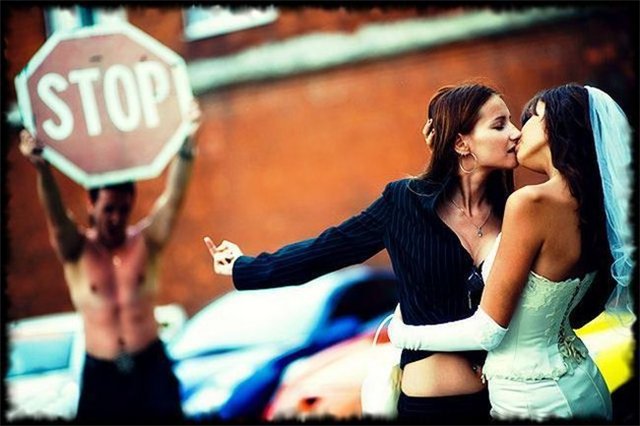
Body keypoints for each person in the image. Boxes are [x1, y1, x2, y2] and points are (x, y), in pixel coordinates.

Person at [204, 82, 521, 422]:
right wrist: (244, 267)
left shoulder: (514, 212)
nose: (516, 133)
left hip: (497, 403)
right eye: (499, 125)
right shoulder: (404, 203)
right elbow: (327, 250)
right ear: (460, 143)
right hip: (430, 407)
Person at [387, 83, 635, 422]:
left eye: (531, 118)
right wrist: (454, 161)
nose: (518, 133)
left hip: (533, 400)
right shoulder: (590, 206)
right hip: (583, 382)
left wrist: (403, 334)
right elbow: (579, 312)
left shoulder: (530, 202)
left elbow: (489, 331)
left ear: (555, 126)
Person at [18, 101, 201, 423]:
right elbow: (56, 217)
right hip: (102, 375)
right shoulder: (76, 250)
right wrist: (42, 169)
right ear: (91, 204)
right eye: (108, 209)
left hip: (151, 368)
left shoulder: (145, 242)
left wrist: (187, 143)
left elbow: (173, 202)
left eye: (123, 209)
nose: (116, 218)